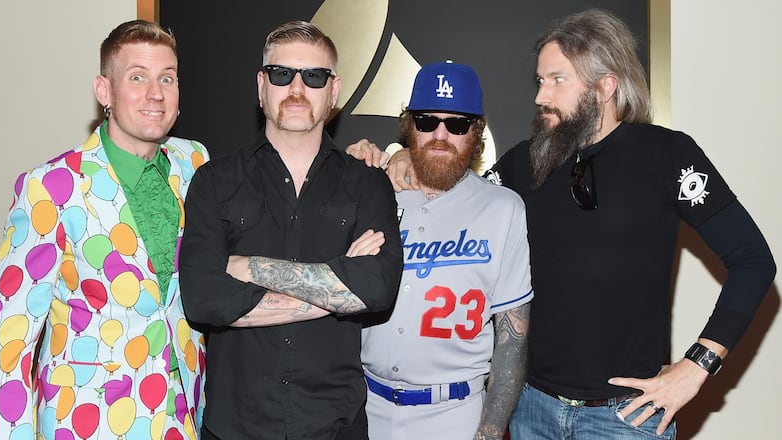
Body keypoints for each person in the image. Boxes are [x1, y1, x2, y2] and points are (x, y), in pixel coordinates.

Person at [354, 8, 776, 440]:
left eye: (557, 80)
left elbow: (753, 261)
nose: (541, 96)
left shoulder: (667, 155)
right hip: (531, 410)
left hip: (626, 418)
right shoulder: (526, 160)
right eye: (540, 80)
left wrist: (696, 366)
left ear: (605, 86)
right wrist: (405, 157)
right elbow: (459, 192)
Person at [178, 20, 403, 440]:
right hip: (235, 427)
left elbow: (376, 289)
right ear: (262, 86)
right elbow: (203, 299)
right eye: (282, 75)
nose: (297, 88)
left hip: (336, 426)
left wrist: (245, 266)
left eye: (314, 76)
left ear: (333, 91)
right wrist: (339, 284)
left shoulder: (368, 182)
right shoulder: (214, 181)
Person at [0, 20, 209, 439]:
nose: (156, 94)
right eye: (137, 77)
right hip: (87, 421)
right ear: (104, 91)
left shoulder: (195, 164)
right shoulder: (52, 188)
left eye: (168, 78)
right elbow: (9, 338)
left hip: (182, 418)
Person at [358, 60, 533, 440]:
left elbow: (511, 343)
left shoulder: (503, 208)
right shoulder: (370, 192)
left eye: (456, 124)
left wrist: (487, 434)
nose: (440, 135)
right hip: (364, 409)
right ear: (409, 127)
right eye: (426, 122)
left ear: (476, 133)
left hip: (454, 415)